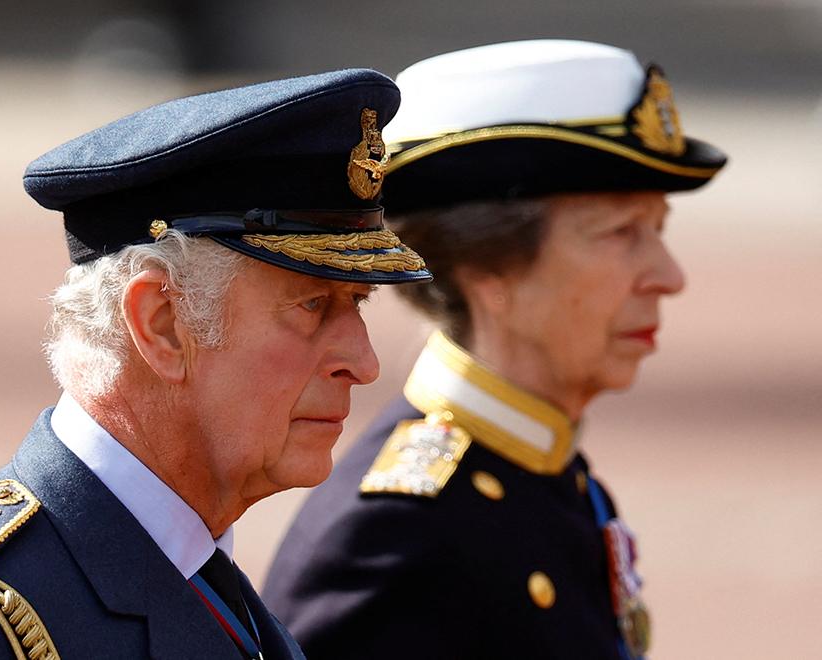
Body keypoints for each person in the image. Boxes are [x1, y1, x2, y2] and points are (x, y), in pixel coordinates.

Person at [0, 68, 430, 660]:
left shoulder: (200, 576)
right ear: (162, 324)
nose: (364, 362)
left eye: (356, 303)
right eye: (311, 305)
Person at [262, 40, 727, 659]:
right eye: (621, 234)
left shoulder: (546, 472)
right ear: (488, 269)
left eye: (658, 230)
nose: (668, 276)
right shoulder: (395, 540)